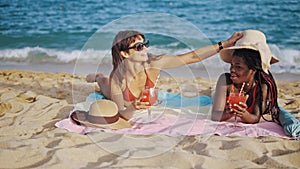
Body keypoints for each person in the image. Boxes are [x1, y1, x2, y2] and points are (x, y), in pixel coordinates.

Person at [86, 30, 243, 121]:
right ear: (125, 53)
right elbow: (122, 114)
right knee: (104, 84)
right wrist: (133, 107)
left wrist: (225, 44)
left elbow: (192, 57)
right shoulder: (117, 79)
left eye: (145, 44)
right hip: (122, 93)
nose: (145, 49)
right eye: (139, 47)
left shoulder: (154, 63)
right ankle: (98, 77)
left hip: (145, 98)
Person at [211, 30, 300, 138]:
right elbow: (215, 115)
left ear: (253, 70)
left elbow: (255, 118)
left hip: (262, 108)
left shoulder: (262, 86)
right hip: (223, 101)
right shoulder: (226, 81)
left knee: (279, 112)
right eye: (231, 65)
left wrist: (243, 114)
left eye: (238, 67)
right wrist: (227, 114)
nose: (232, 70)